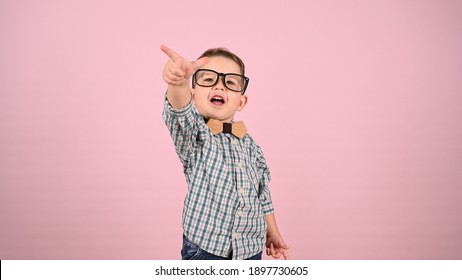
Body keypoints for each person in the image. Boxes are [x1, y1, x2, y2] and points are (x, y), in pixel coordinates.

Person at [161, 45, 289, 260]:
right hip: (206, 250)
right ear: (193, 96)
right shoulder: (194, 135)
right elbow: (178, 111)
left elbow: (262, 194)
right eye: (208, 80)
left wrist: (273, 232)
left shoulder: (251, 146)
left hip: (250, 249)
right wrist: (179, 82)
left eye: (229, 82)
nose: (219, 86)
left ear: (241, 102)